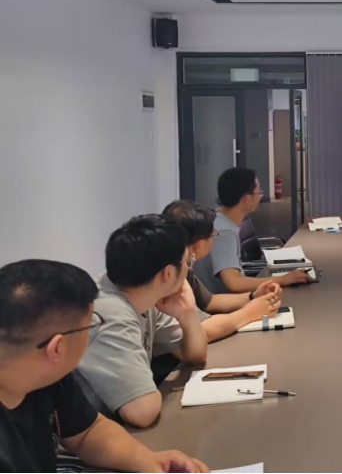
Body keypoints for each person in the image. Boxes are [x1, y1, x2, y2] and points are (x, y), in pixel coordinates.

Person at [0, 260, 208, 472]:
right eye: (90, 325)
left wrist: (148, 461)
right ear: (57, 349)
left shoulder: (47, 376)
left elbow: (87, 432)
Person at [77, 215, 208, 428]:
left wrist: (188, 313)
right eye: (187, 263)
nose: (188, 269)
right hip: (81, 442)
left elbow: (195, 354)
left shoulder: (141, 293)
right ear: (168, 273)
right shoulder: (109, 313)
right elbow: (142, 412)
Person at [163, 199, 283, 342]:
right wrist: (249, 313)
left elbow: (209, 301)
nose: (214, 239)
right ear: (198, 246)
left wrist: (253, 296)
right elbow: (202, 330)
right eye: (213, 236)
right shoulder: (171, 277)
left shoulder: (181, 265)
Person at [194, 167, 312, 294]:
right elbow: (234, 284)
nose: (260, 197)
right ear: (246, 199)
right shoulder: (224, 233)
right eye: (258, 193)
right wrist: (283, 279)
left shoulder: (218, 218)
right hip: (231, 300)